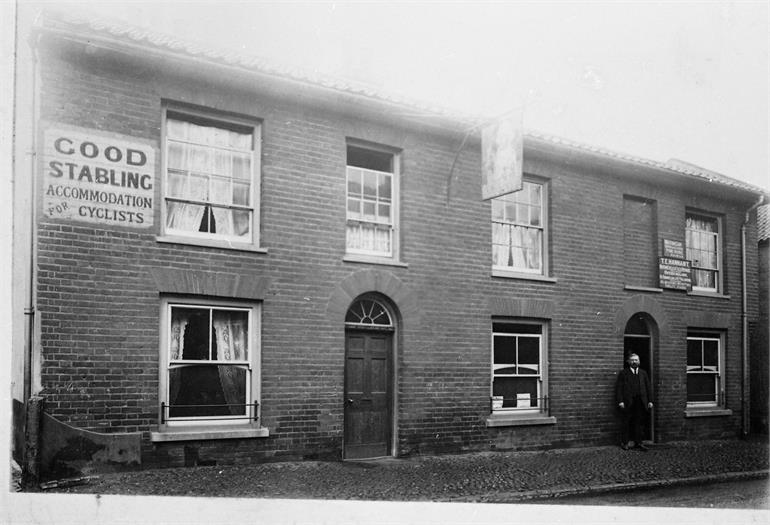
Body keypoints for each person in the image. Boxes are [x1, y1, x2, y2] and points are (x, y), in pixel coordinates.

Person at [615, 353, 653, 451]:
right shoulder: (623, 373)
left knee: (639, 422)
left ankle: (639, 442)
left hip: (640, 401)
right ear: (628, 362)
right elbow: (619, 388)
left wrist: (650, 400)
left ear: (639, 361)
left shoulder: (643, 373)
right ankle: (625, 443)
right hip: (628, 401)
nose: (634, 362)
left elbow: (648, 388)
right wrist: (620, 401)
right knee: (626, 422)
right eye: (632, 360)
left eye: (636, 360)